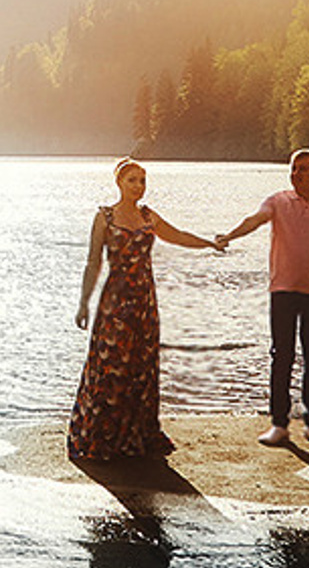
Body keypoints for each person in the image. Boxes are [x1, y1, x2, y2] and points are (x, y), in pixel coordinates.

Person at [69, 159, 220, 466]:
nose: (138, 186)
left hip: (144, 302)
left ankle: (136, 433)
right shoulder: (105, 217)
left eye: (142, 181)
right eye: (132, 180)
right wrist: (84, 303)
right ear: (119, 183)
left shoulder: (148, 216)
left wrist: (209, 244)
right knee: (110, 364)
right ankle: (102, 434)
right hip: (115, 303)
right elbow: (93, 262)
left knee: (141, 365)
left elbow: (177, 236)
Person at [216, 148, 309, 447]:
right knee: (282, 356)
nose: (296, 173)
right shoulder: (278, 202)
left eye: (303, 169)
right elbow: (254, 219)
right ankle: (279, 424)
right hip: (283, 291)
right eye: (293, 168)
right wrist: (228, 236)